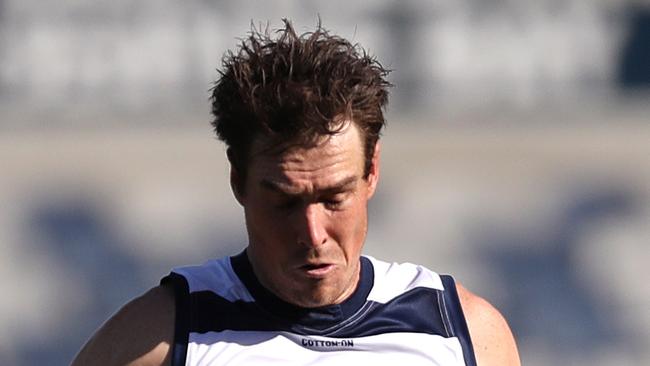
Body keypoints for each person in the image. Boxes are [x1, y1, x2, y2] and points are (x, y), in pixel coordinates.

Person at [72, 20, 520, 366]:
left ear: (372, 172)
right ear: (238, 181)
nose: (312, 232)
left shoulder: (464, 334)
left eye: (334, 198)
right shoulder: (162, 335)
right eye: (285, 202)